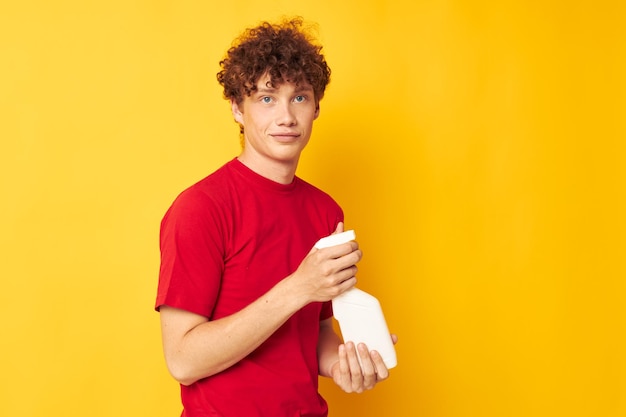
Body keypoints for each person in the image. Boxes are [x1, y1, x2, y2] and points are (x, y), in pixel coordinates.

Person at [155, 17, 396, 417]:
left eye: (298, 97)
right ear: (237, 108)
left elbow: (313, 332)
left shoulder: (325, 211)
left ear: (316, 107)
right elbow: (183, 360)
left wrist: (344, 364)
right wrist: (298, 287)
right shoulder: (200, 209)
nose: (286, 116)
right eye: (267, 98)